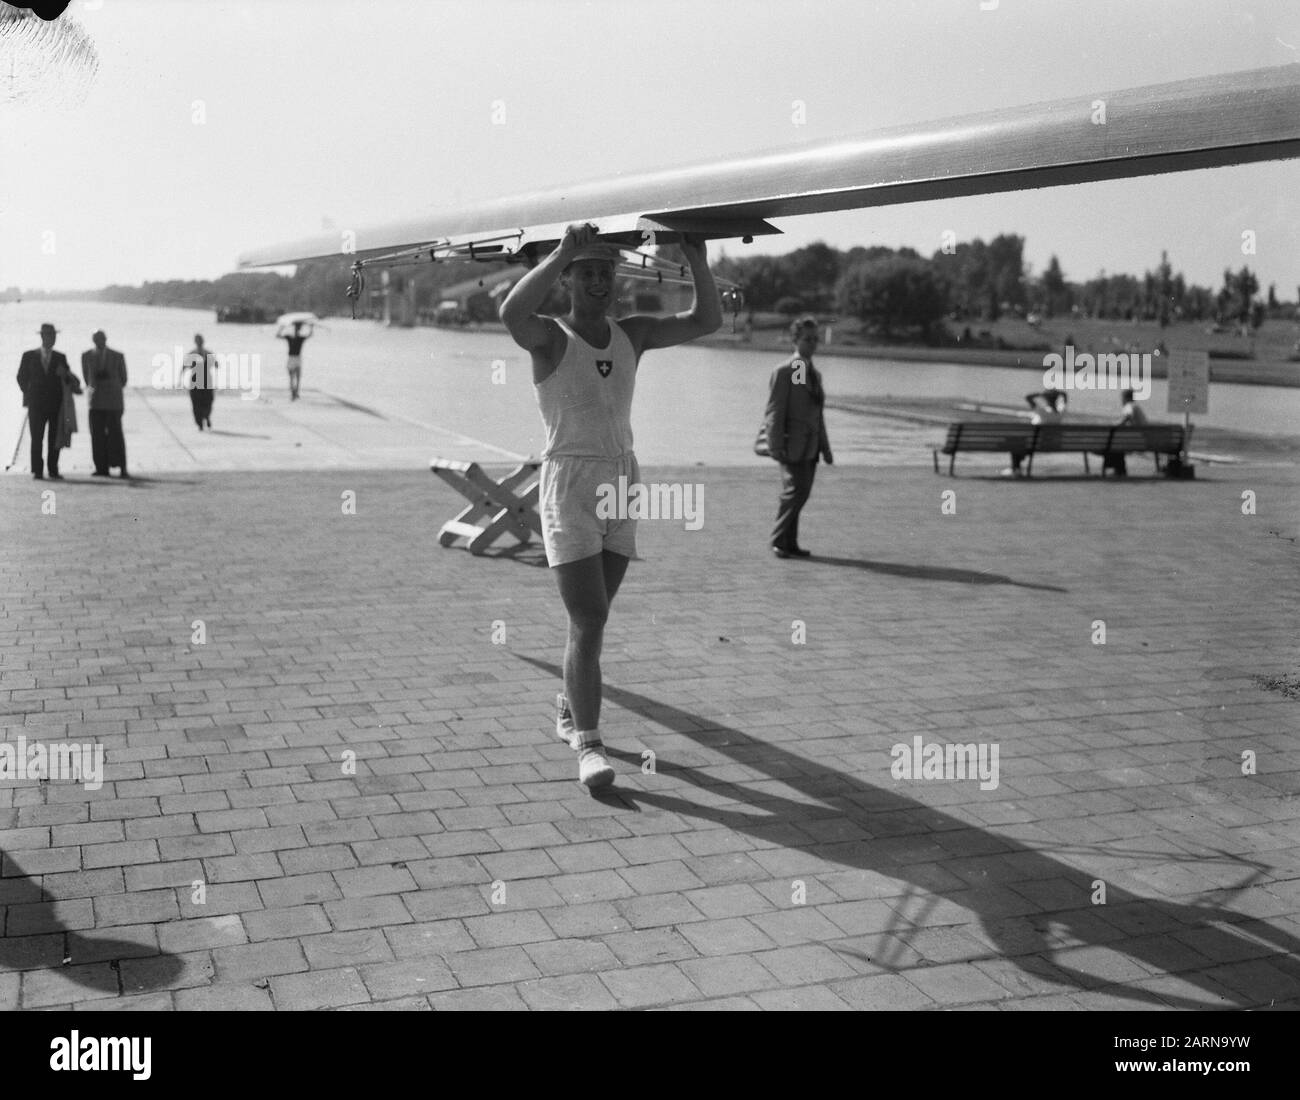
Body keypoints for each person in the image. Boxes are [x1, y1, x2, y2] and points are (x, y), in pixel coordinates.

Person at [500, 223, 721, 789]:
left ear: (615, 281)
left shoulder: (634, 334)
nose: (598, 281)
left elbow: (706, 320)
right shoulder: (550, 337)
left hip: (622, 480)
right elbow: (510, 314)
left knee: (592, 625)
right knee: (589, 616)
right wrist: (561, 252)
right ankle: (589, 747)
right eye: (587, 272)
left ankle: (569, 703)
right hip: (570, 482)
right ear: (569, 281)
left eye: (606, 272)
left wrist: (695, 256)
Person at [765, 315, 833, 557]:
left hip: (811, 446)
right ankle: (778, 539)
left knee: (800, 492)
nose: (812, 344)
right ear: (795, 340)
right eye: (807, 339)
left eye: (815, 339)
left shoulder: (812, 373)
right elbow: (777, 410)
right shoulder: (789, 370)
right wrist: (775, 444)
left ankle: (789, 542)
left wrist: (825, 448)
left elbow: (815, 413)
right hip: (791, 444)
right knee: (796, 491)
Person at [16, 323, 75, 480]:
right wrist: (28, 393)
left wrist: (65, 374)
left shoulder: (60, 357)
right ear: (42, 336)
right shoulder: (29, 356)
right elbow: (21, 377)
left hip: (56, 405)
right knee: (36, 438)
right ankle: (37, 470)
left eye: (54, 335)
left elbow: (70, 380)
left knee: (54, 438)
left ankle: (53, 469)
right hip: (36, 405)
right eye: (49, 335)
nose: (52, 338)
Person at [81, 330, 129, 478]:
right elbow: (86, 377)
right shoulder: (87, 356)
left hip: (114, 402)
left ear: (106, 339)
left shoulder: (117, 356)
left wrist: (110, 383)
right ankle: (101, 467)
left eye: (101, 339)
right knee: (97, 436)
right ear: (93, 340)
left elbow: (124, 379)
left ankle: (121, 466)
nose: (99, 341)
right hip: (95, 402)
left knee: (116, 435)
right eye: (96, 339)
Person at [1003, 389, 1066, 477]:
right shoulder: (1060, 412)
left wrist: (1041, 394)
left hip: (1036, 444)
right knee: (1021, 444)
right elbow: (1064, 397)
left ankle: (1016, 469)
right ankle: (1017, 468)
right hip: (1054, 444)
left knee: (1016, 443)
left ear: (1046, 399)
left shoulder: (1042, 411)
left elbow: (1028, 397)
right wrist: (1058, 394)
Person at [1103, 387, 1149, 477]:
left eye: (1122, 398)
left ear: (1125, 397)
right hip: (1143, 438)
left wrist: (1116, 425)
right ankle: (1120, 469)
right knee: (1116, 443)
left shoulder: (1129, 405)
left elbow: (1127, 416)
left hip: (1138, 441)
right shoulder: (1136, 406)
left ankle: (1119, 470)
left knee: (1114, 444)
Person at [184, 334, 214, 430]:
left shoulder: (205, 353)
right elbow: (184, 366)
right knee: (197, 403)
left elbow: (216, 364)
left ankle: (205, 417)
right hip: (197, 381)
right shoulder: (195, 353)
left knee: (207, 402)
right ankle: (201, 422)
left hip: (204, 381)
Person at [278, 320, 312, 400]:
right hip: (294, 358)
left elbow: (278, 335)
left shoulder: (296, 338)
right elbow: (310, 335)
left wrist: (281, 328)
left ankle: (295, 393)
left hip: (295, 358)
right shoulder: (294, 338)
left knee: (295, 377)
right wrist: (282, 328)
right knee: (294, 377)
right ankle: (294, 393)